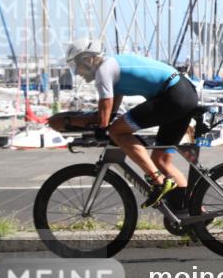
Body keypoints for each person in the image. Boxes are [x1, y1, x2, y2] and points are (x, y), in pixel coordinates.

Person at [63, 39, 200, 209]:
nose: (77, 73)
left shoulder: (103, 70)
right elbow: (113, 106)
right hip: (183, 93)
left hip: (173, 96)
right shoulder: (112, 66)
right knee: (162, 160)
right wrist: (105, 123)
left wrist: (101, 128)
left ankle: (157, 180)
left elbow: (104, 111)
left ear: (87, 59)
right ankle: (194, 212)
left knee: (117, 131)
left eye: (77, 66)